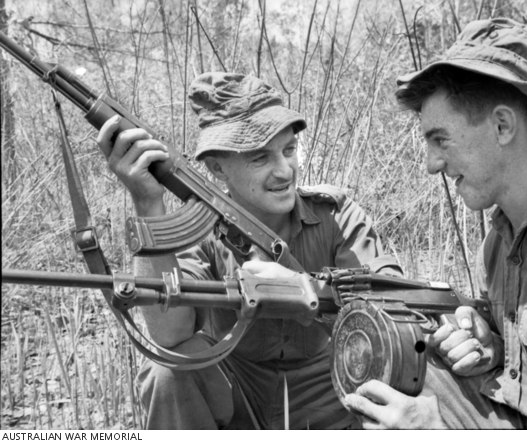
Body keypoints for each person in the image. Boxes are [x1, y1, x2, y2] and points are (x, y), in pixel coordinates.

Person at [341, 17, 527, 428]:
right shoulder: (501, 239)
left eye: (439, 139)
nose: (432, 165)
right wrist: (493, 345)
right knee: (396, 366)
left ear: (502, 126)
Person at [96, 72, 401, 429]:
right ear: (217, 167)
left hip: (332, 389)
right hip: (238, 388)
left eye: (289, 150)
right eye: (260, 159)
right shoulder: (201, 229)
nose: (284, 170)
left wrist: (304, 288)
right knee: (168, 370)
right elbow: (170, 335)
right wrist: (147, 203)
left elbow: (394, 307)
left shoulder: (334, 215)